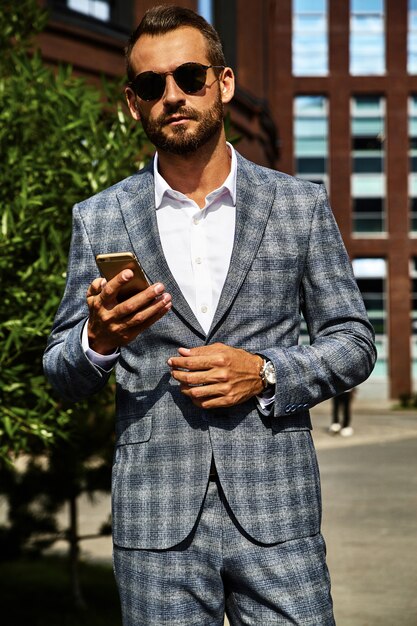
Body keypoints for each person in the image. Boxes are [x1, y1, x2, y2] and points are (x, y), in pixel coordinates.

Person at [43, 5, 376, 625]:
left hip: (279, 517)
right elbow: (61, 371)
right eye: (152, 85)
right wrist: (98, 339)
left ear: (222, 83)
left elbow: (354, 341)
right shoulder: (100, 219)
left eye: (189, 77)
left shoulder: (299, 206)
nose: (172, 95)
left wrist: (266, 371)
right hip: (155, 525)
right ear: (133, 103)